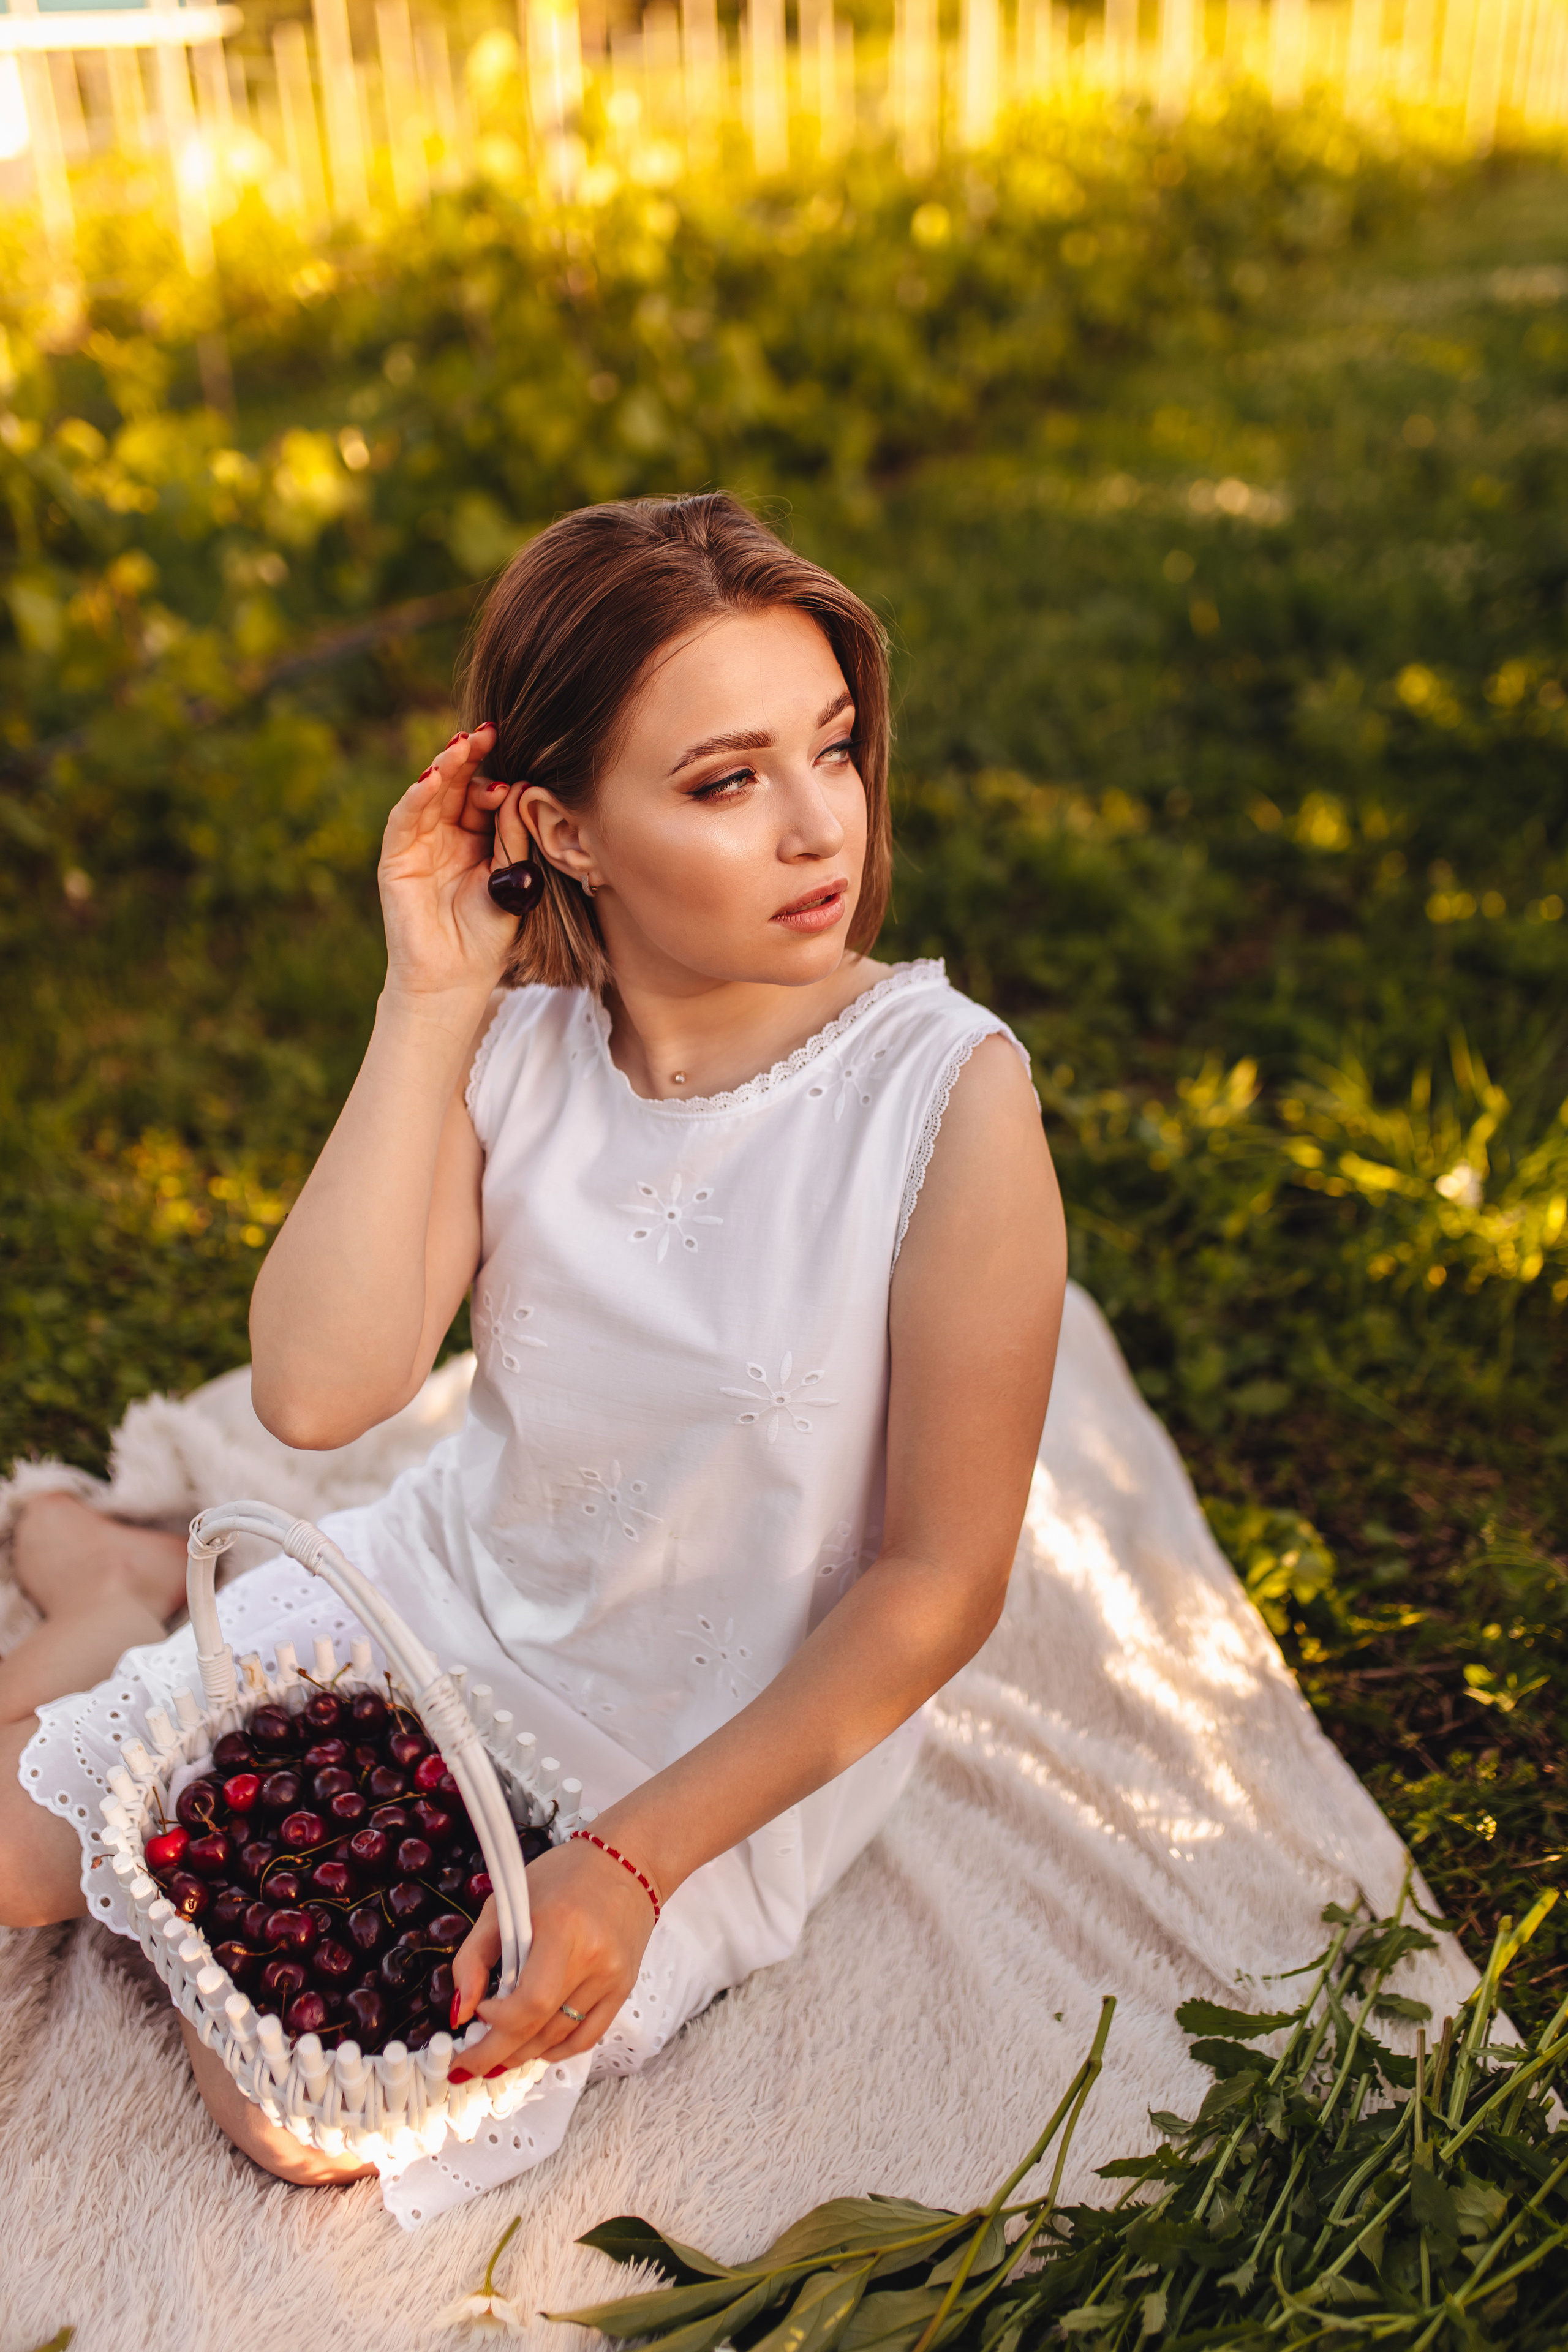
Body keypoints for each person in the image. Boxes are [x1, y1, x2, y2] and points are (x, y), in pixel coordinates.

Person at [0, 492, 1064, 2214]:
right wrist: (427, 998)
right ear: (564, 832)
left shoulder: (945, 1092)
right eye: (726, 782)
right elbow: (318, 1396)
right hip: (437, 1604)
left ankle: (125, 1604)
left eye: (836, 751)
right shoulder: (517, 1054)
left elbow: (941, 1580)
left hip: (701, 1735)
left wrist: (632, 1867)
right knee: (18, 1857)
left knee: (317, 2129)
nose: (818, 828)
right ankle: (111, 1596)